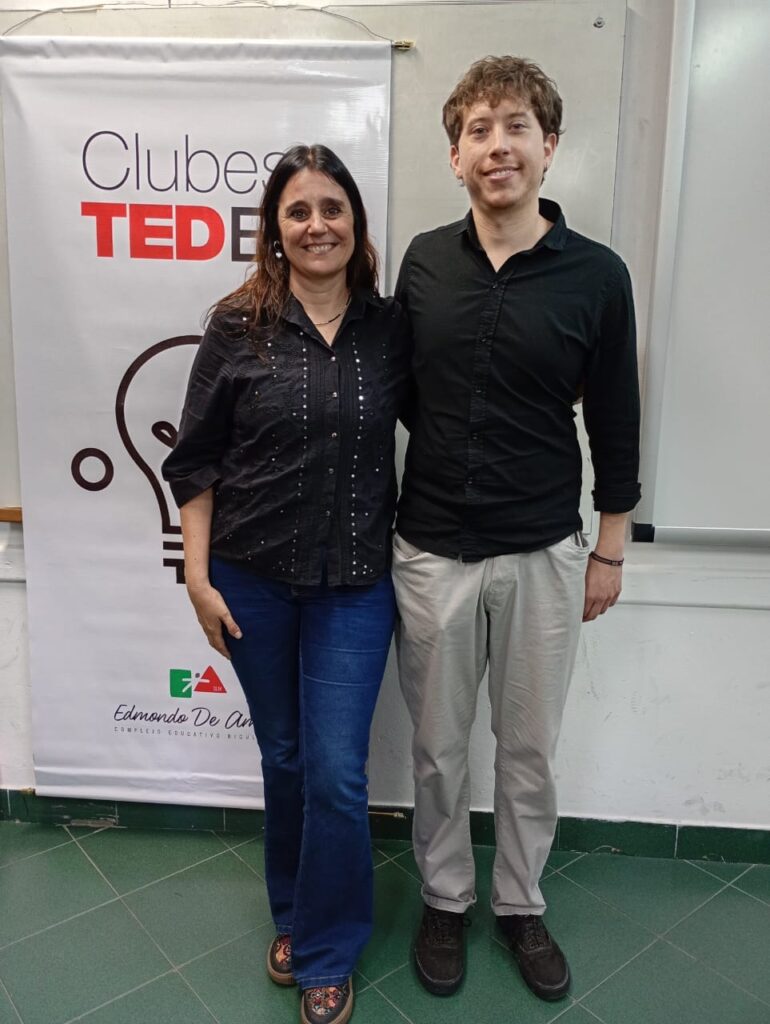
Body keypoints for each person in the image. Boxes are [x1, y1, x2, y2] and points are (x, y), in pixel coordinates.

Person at [392, 56, 641, 1002]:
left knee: (528, 749)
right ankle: (445, 899)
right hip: (432, 553)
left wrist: (609, 546)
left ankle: (520, 903)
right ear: (455, 156)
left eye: (517, 127)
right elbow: (404, 394)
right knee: (437, 749)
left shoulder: (597, 276)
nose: (498, 146)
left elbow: (614, 418)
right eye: (479, 130)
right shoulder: (424, 263)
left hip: (544, 552)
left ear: (550, 146)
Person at [163, 144, 410, 1024]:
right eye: (298, 211)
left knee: (337, 773)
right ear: (275, 228)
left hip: (355, 585)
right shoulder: (237, 327)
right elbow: (194, 461)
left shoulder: (390, 329)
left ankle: (327, 952)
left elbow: (451, 422)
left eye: (332, 208)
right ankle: (294, 916)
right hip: (252, 581)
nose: (317, 225)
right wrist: (197, 578)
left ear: (356, 223)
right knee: (286, 759)